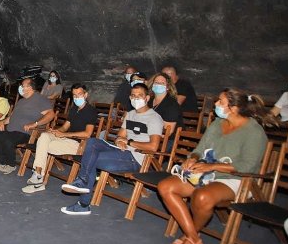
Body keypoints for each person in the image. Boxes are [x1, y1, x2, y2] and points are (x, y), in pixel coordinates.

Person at [156, 88, 274, 244]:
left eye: (220, 101)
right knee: (165, 186)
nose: (216, 105)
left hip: (236, 179)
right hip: (206, 173)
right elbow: (200, 149)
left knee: (202, 197)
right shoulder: (218, 123)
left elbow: (248, 166)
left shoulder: (254, 132)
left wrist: (212, 167)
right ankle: (194, 239)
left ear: (233, 108)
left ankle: (189, 240)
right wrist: (193, 158)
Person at [61, 83, 164, 215]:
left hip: (136, 159)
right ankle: (82, 182)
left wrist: (129, 142)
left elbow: (153, 146)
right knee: (92, 142)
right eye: (133, 95)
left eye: (139, 96)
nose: (136, 98)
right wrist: (120, 141)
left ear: (147, 98)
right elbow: (120, 136)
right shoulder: (131, 114)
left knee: (91, 158)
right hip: (121, 151)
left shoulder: (154, 118)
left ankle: (83, 202)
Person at [22, 83, 99, 193]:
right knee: (44, 136)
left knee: (42, 145)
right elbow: (65, 127)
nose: (77, 97)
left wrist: (65, 134)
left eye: (80, 94)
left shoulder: (90, 111)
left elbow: (87, 134)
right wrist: (56, 131)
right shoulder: (74, 109)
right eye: (74, 95)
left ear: (85, 95)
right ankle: (38, 175)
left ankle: (38, 180)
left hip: (79, 144)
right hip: (66, 140)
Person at [0, 78, 54, 175]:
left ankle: (11, 164)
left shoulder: (40, 99)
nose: (20, 87)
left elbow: (51, 115)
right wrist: (3, 122)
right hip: (11, 130)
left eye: (22, 85)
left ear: (30, 87)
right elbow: (12, 116)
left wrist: (35, 124)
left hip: (25, 132)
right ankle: (2, 162)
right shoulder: (21, 101)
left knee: (7, 139)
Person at [148, 72, 184, 151]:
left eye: (162, 83)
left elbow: (168, 132)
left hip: (167, 141)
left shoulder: (171, 104)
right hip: (148, 135)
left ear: (168, 87)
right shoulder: (148, 101)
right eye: (156, 82)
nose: (158, 85)